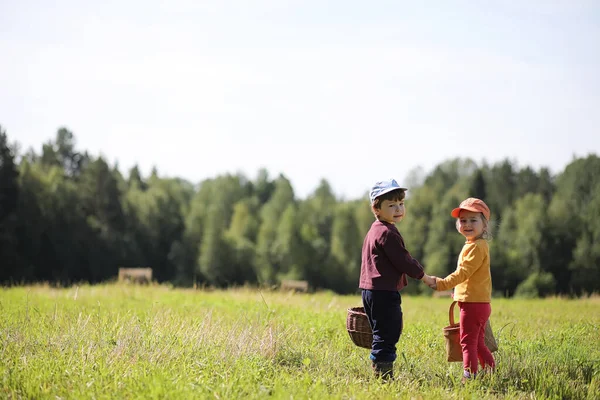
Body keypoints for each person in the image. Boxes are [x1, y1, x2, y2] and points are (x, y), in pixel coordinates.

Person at [359, 179, 436, 380]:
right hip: (384, 292)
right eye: (391, 205)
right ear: (376, 208)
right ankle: (383, 377)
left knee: (380, 332)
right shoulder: (387, 232)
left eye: (401, 203)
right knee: (388, 333)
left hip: (370, 290)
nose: (398, 208)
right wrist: (424, 276)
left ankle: (379, 372)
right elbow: (403, 260)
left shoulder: (375, 229)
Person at [428, 197, 496, 382]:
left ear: (485, 225)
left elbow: (463, 272)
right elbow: (471, 279)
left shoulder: (476, 247)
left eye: (473, 220)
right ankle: (490, 371)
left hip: (473, 305)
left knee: (467, 342)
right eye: (463, 220)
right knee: (478, 342)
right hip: (477, 302)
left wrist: (441, 284)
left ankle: (470, 378)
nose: (467, 224)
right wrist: (458, 292)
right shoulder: (475, 244)